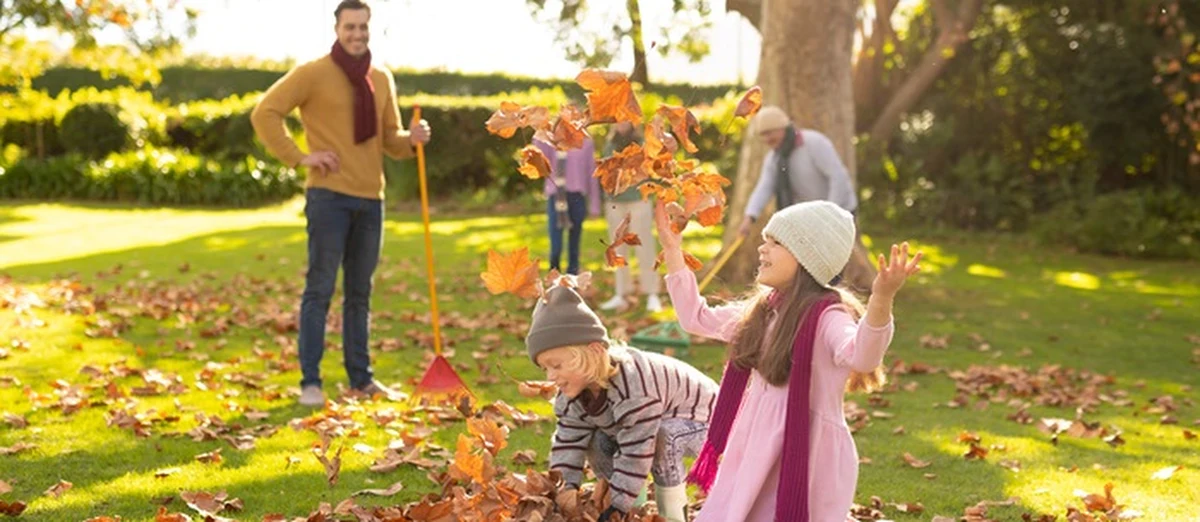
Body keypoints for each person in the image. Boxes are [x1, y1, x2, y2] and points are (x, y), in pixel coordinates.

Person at [656, 199, 921, 521]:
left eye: (776, 242)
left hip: (807, 453)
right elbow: (694, 318)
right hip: (755, 443)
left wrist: (882, 297)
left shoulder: (828, 317)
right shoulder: (762, 312)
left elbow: (864, 357)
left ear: (808, 257)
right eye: (765, 239)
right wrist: (672, 250)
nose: (762, 249)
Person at [250, 0, 431, 407]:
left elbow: (391, 140)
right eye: (350, 26)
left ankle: (361, 379)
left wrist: (412, 140)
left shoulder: (381, 78)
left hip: (371, 200)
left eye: (363, 27)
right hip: (328, 198)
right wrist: (300, 157)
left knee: (360, 293)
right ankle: (310, 382)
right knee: (319, 289)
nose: (357, 34)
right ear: (336, 28)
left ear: (370, 29)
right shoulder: (313, 73)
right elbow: (265, 112)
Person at [528, 274, 718, 522]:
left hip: (707, 423)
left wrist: (616, 504)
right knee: (597, 441)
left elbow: (637, 450)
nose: (551, 376)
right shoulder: (574, 394)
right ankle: (633, 512)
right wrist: (564, 492)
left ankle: (671, 514)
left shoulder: (635, 388)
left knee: (662, 436)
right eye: (545, 369)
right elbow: (568, 443)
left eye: (557, 365)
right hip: (651, 426)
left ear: (594, 352)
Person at [598, 122, 662, 313]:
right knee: (617, 249)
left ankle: (652, 293)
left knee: (644, 246)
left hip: (638, 200)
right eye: (618, 120)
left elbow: (652, 172)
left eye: (625, 119)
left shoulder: (642, 144)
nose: (621, 124)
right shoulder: (610, 145)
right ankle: (621, 293)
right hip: (615, 202)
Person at [534, 134, 601, 275]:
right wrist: (539, 128)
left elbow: (591, 173)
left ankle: (572, 280)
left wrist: (594, 204)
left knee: (574, 245)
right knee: (556, 245)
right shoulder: (553, 140)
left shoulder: (586, 142)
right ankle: (554, 279)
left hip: (576, 197)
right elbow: (539, 156)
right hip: (556, 196)